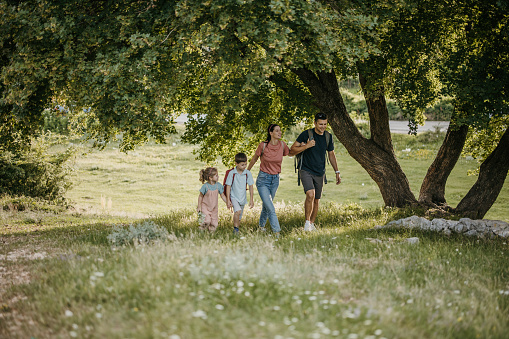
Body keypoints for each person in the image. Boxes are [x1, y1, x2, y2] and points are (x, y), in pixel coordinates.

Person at [290, 112, 341, 231]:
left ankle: (311, 224)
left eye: (325, 124)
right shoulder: (306, 134)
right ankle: (307, 223)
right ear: (315, 123)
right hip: (306, 169)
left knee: (317, 199)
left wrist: (337, 171)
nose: (323, 127)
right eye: (320, 124)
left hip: (320, 171)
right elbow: (292, 150)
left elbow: (331, 154)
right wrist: (306, 146)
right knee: (310, 194)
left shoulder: (328, 136)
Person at [247, 124, 290, 237]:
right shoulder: (263, 145)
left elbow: (290, 152)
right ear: (271, 133)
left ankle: (261, 227)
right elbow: (254, 158)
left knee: (267, 205)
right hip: (263, 180)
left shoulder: (282, 145)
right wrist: (246, 172)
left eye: (280, 131)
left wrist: (305, 146)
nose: (279, 133)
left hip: (275, 180)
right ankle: (277, 232)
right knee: (271, 207)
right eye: (277, 131)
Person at [225, 152, 254, 234]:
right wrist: (228, 200)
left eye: (245, 164)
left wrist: (251, 200)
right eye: (242, 165)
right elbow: (228, 186)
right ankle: (235, 229)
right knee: (237, 211)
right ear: (236, 164)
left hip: (243, 198)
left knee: (239, 216)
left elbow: (251, 186)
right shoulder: (232, 173)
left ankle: (237, 230)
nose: (244, 166)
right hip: (234, 197)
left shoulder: (247, 173)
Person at [197, 167, 228, 232]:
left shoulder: (218, 186)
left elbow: (222, 195)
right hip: (205, 207)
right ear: (210, 178)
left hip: (214, 208)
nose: (218, 177)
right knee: (207, 220)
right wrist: (199, 207)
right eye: (216, 175)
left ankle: (211, 235)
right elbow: (200, 196)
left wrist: (227, 202)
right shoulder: (205, 186)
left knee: (214, 223)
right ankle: (201, 231)